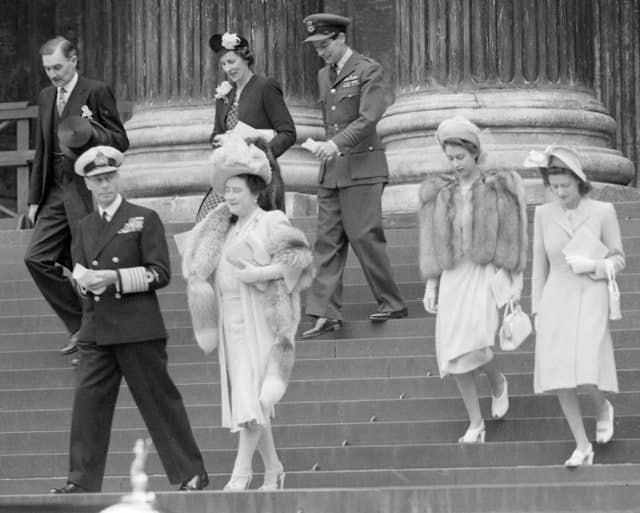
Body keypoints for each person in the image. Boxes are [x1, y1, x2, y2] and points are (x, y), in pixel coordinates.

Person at [50, 146, 208, 493]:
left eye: (109, 178)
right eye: (97, 180)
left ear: (117, 178)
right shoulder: (84, 227)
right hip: (96, 329)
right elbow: (81, 269)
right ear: (87, 185)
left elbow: (160, 273)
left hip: (137, 326)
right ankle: (80, 481)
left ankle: (190, 472)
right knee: (87, 409)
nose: (105, 185)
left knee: (160, 404)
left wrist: (114, 279)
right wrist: (81, 283)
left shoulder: (143, 218)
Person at [181, 136, 313, 490]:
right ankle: (273, 467)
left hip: (263, 317)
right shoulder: (223, 228)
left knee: (251, 394)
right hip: (232, 320)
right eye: (227, 190)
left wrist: (259, 273)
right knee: (247, 393)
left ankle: (242, 471)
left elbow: (298, 263)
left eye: (237, 190)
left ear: (255, 191)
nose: (230, 196)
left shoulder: (272, 219)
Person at [419, 116, 528, 443]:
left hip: (484, 273)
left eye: (460, 158)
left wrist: (514, 281)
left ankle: (497, 381)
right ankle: (475, 423)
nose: (454, 164)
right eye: (449, 158)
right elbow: (432, 240)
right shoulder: (440, 192)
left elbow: (513, 234)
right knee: (454, 353)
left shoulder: (499, 186)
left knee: (478, 343)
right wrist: (431, 283)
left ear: (475, 153)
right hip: (453, 274)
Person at [300, 13, 407, 339]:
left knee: (363, 235)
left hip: (362, 167)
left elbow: (368, 118)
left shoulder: (368, 70)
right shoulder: (323, 75)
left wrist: (333, 144)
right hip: (332, 170)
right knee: (327, 241)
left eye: (324, 45)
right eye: (316, 47)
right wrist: (327, 148)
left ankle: (391, 302)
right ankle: (325, 313)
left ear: (340, 38)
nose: (321, 52)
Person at [24, 36, 129, 357]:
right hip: (53, 191)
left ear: (73, 60)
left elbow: (120, 140)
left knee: (87, 262)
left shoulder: (95, 91)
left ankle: (95, 340)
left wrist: (92, 131)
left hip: (86, 190)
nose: (53, 74)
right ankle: (80, 327)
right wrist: (32, 200)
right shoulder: (45, 97)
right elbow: (42, 149)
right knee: (36, 258)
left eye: (57, 67)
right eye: (47, 69)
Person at [529, 145, 624, 468]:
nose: (559, 193)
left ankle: (601, 407)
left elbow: (618, 258)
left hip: (591, 292)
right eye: (554, 187)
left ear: (579, 182)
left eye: (565, 187)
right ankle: (582, 446)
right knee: (559, 375)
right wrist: (537, 309)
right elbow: (538, 266)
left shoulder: (602, 211)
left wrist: (593, 265)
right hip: (557, 295)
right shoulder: (543, 214)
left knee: (586, 367)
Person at [194, 32, 296, 222]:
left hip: (258, 176)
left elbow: (288, 133)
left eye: (232, 61)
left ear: (245, 57)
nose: (228, 68)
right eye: (223, 64)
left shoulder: (265, 87)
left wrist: (260, 153)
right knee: (206, 220)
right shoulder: (225, 94)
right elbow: (216, 132)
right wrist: (219, 140)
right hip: (229, 174)